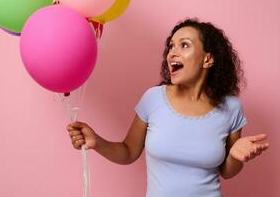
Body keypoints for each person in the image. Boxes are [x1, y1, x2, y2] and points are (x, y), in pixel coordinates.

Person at [66, 18, 269, 197]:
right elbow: (128, 151)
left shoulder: (231, 108)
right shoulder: (153, 99)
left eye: (184, 45)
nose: (172, 53)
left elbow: (227, 171)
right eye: (171, 46)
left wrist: (235, 156)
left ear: (208, 59)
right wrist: (97, 142)